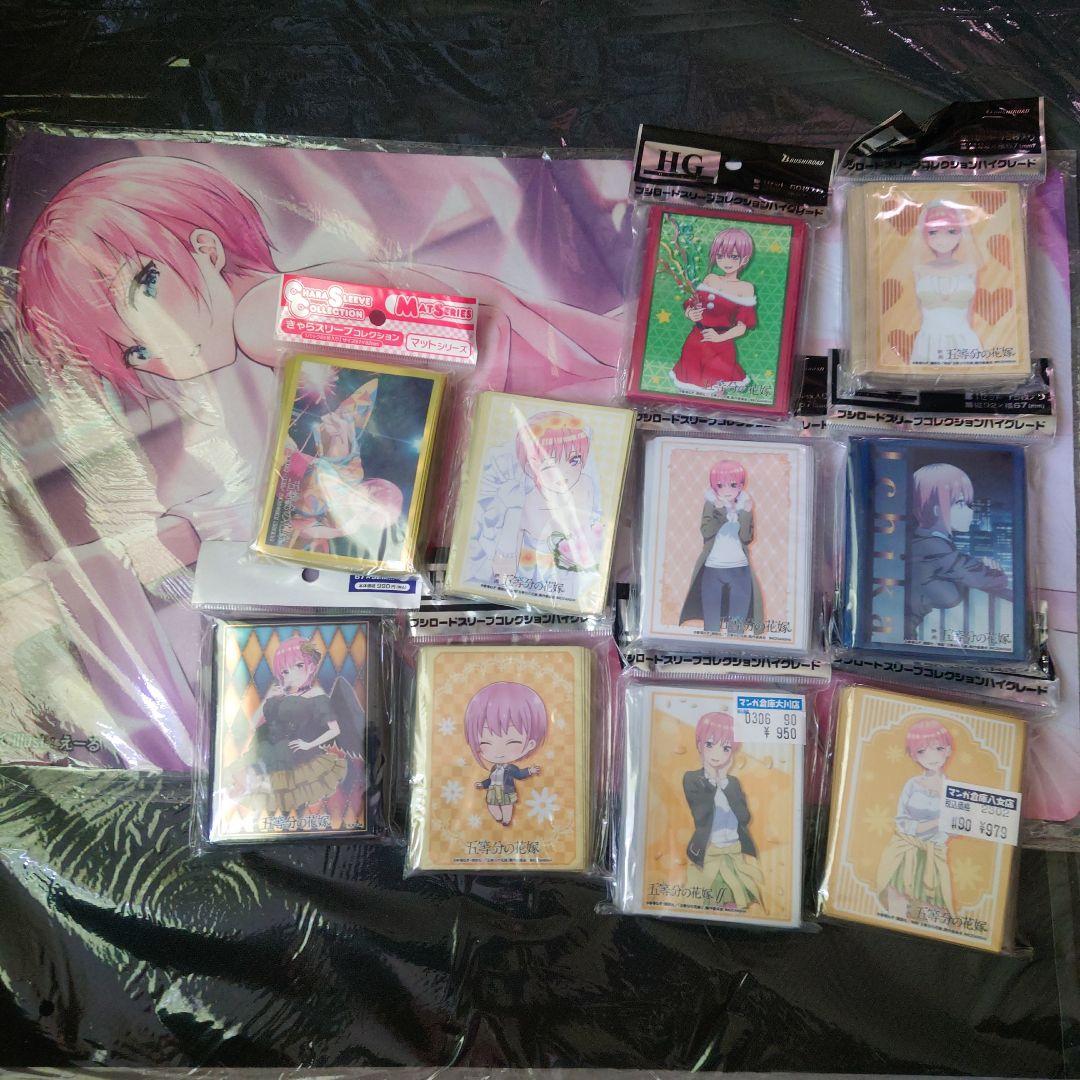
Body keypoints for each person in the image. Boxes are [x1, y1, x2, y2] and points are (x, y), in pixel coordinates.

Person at [905, 462, 1010, 641]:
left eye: (969, 504)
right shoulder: (934, 547)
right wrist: (997, 572)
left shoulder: (923, 542)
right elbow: (983, 578)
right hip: (906, 636)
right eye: (961, 504)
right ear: (936, 509)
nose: (970, 512)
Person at [683, 711, 764, 911]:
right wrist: (713, 779)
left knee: (737, 903)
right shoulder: (693, 779)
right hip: (708, 853)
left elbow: (744, 817)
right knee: (708, 902)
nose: (717, 754)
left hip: (734, 852)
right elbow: (700, 815)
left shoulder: (733, 783)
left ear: (732, 752)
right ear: (699, 745)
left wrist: (725, 781)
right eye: (710, 744)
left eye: (726, 748)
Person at [876, 716, 955, 920]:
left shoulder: (953, 790)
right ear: (913, 755)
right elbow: (901, 820)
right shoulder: (912, 784)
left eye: (938, 748)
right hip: (903, 854)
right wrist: (934, 824)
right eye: (922, 751)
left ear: (948, 750)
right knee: (897, 907)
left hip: (933, 859)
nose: (931, 756)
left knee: (932, 912)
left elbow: (955, 827)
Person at [680, 459, 763, 634]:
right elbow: (706, 531)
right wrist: (722, 511)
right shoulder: (711, 504)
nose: (726, 490)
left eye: (733, 485)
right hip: (713, 568)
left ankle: (736, 649)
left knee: (737, 627)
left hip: (740, 568)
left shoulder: (745, 506)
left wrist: (746, 513)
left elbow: (746, 538)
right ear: (714, 486)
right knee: (711, 625)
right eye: (720, 485)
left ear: (741, 486)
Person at [671, 227, 757, 391]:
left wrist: (719, 338)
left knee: (715, 385)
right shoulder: (710, 279)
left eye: (734, 256)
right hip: (696, 339)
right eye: (720, 255)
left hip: (721, 345)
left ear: (745, 259)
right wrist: (690, 313)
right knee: (689, 382)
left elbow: (742, 327)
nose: (726, 261)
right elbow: (693, 301)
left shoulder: (745, 288)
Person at [909, 200, 984, 365]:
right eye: (933, 232)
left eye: (951, 231)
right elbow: (919, 310)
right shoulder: (920, 270)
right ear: (924, 235)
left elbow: (970, 312)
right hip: (928, 343)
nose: (942, 239)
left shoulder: (970, 269)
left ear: (961, 233)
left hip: (964, 341)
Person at [464, 682, 547, 826]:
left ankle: (507, 819)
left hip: (506, 791)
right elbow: (490, 780)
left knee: (507, 805)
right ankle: (498, 817)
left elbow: (519, 774)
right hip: (493, 790)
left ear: (530, 745)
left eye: (512, 742)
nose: (498, 751)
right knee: (491, 804)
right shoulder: (494, 768)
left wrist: (530, 770)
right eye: (486, 743)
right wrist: (482, 784)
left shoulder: (510, 768)